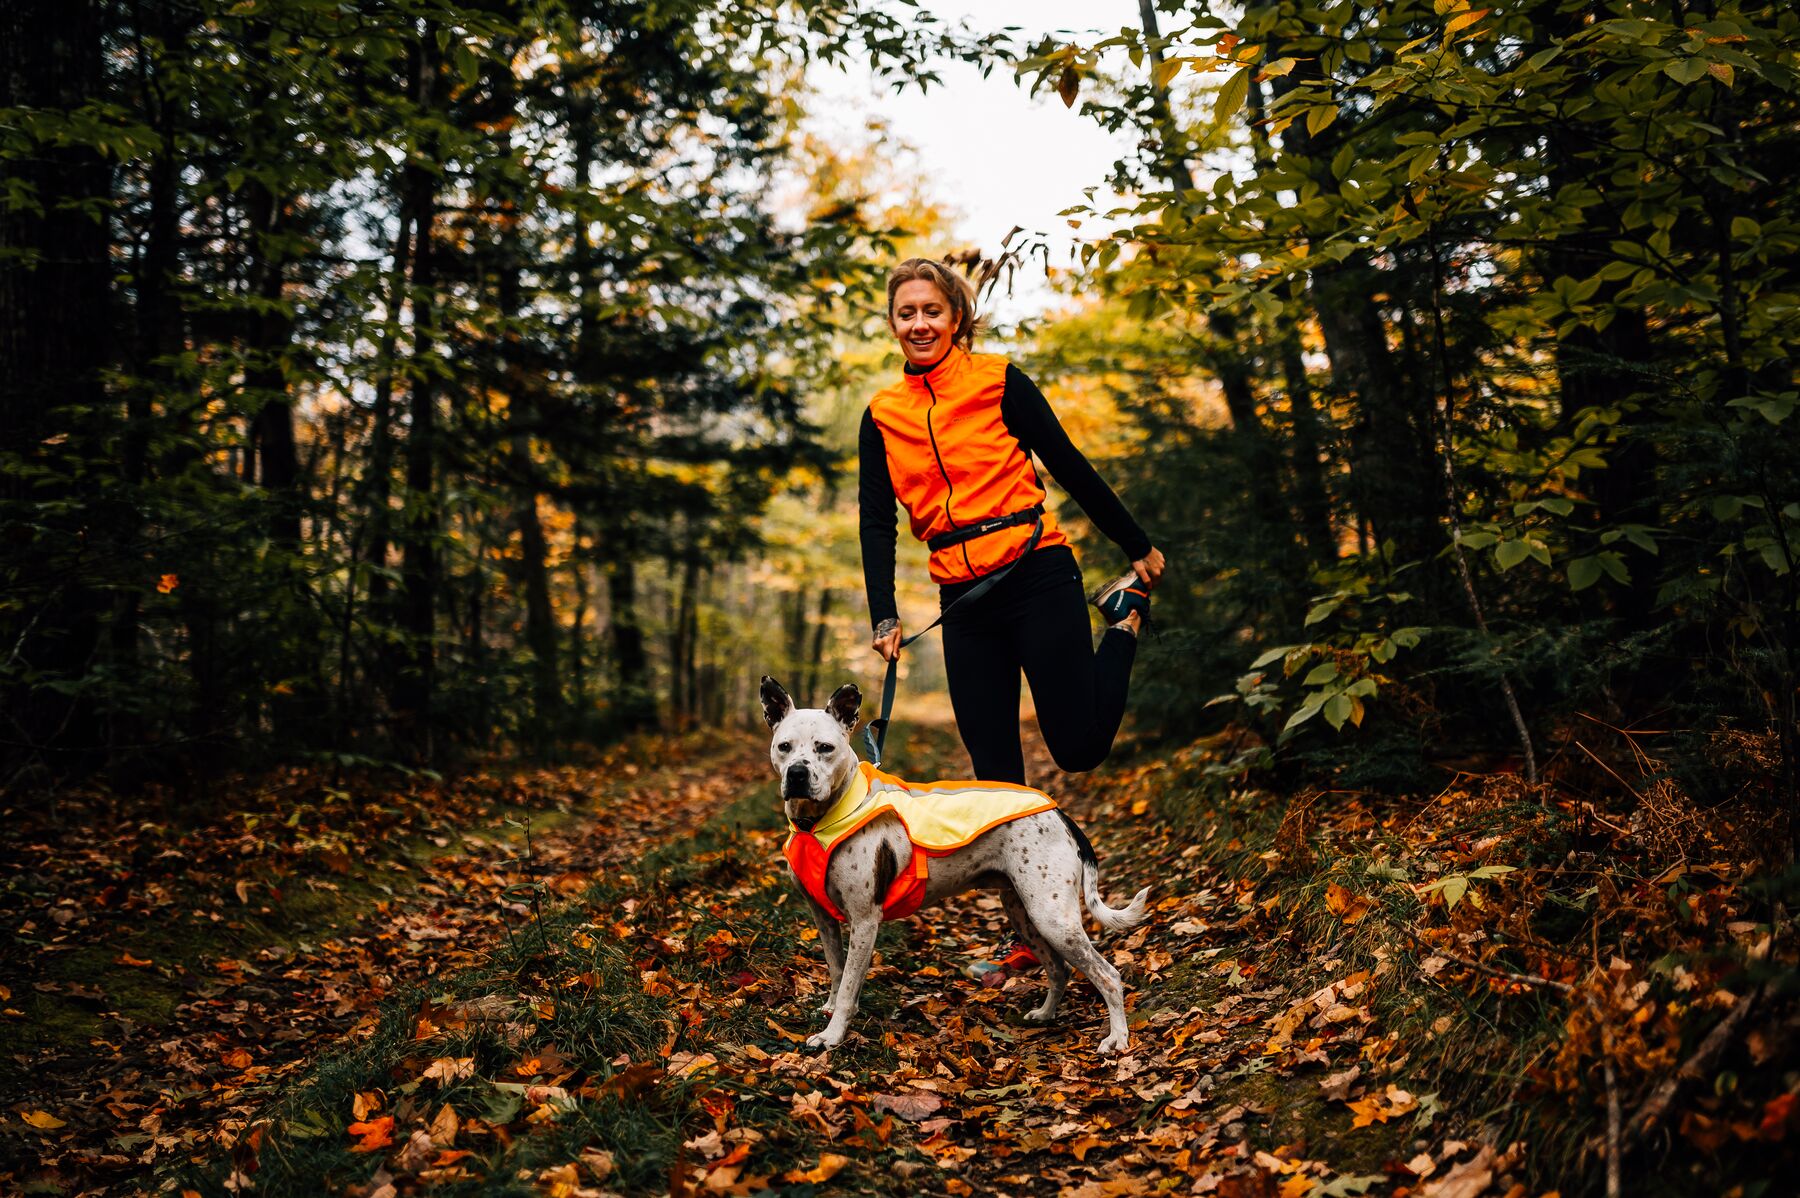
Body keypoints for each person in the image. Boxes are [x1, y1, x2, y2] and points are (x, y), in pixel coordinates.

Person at [858, 257, 1165, 969]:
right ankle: (1028, 936)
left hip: (1038, 574)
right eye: (906, 313)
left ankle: (1123, 620)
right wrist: (884, 614)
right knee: (996, 783)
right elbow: (877, 521)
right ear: (893, 325)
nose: (920, 324)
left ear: (956, 315)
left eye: (931, 310)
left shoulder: (998, 380)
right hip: (962, 603)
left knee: (1078, 748)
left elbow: (1068, 461)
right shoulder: (882, 414)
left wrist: (1136, 545)